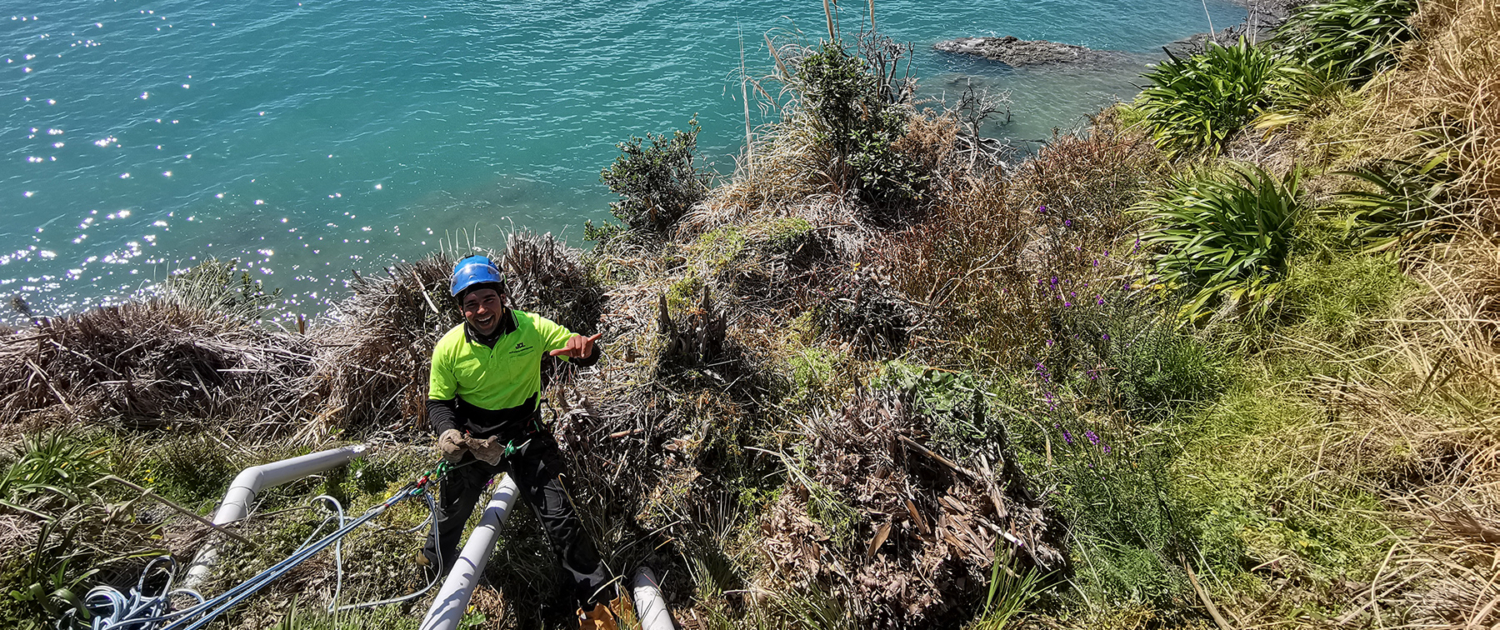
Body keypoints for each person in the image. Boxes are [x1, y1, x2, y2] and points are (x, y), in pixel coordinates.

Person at [419, 255, 618, 629]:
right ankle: (433, 568)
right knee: (450, 513)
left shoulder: (531, 327)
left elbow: (580, 351)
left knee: (561, 517)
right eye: (471, 304)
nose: (481, 310)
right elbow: (439, 402)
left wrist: (585, 350)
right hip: (473, 440)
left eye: (488, 299)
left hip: (527, 434)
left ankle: (598, 605)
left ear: (503, 296)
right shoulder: (448, 348)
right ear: (461, 309)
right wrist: (448, 432)